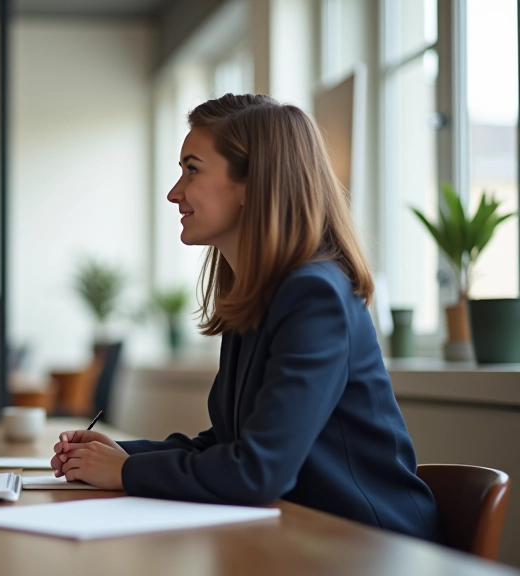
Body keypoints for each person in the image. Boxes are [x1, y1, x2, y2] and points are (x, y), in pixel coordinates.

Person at [49, 94, 442, 542]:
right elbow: (226, 444)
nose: (174, 192)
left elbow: (258, 472)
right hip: (303, 541)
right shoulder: (255, 295)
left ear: (254, 184)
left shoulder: (315, 296)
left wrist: (128, 471)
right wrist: (120, 455)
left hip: (372, 548)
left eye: (192, 169)